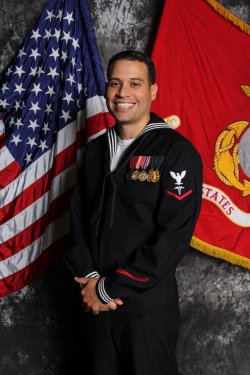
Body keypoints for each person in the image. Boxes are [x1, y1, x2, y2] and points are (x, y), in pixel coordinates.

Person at [65, 50, 203, 375]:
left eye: (135, 83)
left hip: (146, 311)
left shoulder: (176, 153)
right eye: (115, 83)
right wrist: (94, 282)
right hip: (97, 308)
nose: (123, 93)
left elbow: (171, 239)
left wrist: (109, 287)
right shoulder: (97, 151)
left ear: (152, 91)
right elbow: (78, 220)